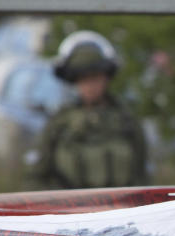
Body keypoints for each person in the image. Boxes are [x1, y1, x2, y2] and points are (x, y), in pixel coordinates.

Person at [30, 30, 147, 189]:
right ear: (75, 82)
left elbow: (142, 175)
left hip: (121, 209)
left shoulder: (126, 121)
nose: (90, 86)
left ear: (106, 78)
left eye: (95, 78)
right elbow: (37, 177)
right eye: (84, 79)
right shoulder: (59, 124)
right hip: (72, 211)